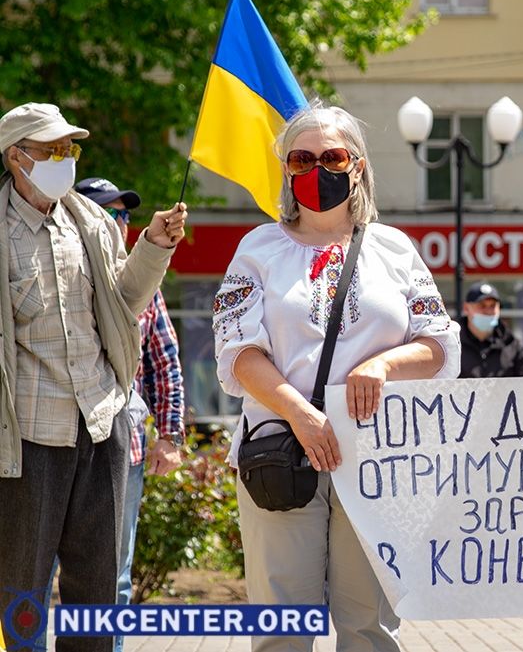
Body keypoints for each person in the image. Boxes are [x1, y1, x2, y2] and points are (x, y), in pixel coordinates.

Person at [212, 103, 460, 652]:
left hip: (377, 459)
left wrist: (384, 364)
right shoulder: (258, 248)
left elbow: (439, 347)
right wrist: (300, 414)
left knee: (370, 627)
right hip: (281, 452)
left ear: (358, 166)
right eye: (301, 159)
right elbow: (238, 352)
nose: (316, 169)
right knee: (280, 629)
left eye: (333, 157)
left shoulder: (394, 248)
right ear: (285, 170)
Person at [0, 102, 186, 652]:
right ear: (15, 157)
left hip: (102, 425)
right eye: (52, 150)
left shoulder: (92, 221)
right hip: (31, 437)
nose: (65, 159)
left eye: (70, 148)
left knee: (100, 594)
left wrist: (154, 247)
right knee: (22, 593)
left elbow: (125, 303)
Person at [75, 177, 186, 651]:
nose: (121, 222)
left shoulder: (144, 280)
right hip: (54, 443)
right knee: (34, 574)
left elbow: (165, 361)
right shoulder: (62, 270)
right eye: (110, 212)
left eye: (125, 214)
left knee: (114, 576)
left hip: (126, 450)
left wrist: (170, 436)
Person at [458, 281, 523, 378]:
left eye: (493, 306)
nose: (488, 311)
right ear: (466, 308)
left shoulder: (513, 346)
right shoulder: (452, 344)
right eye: (482, 306)